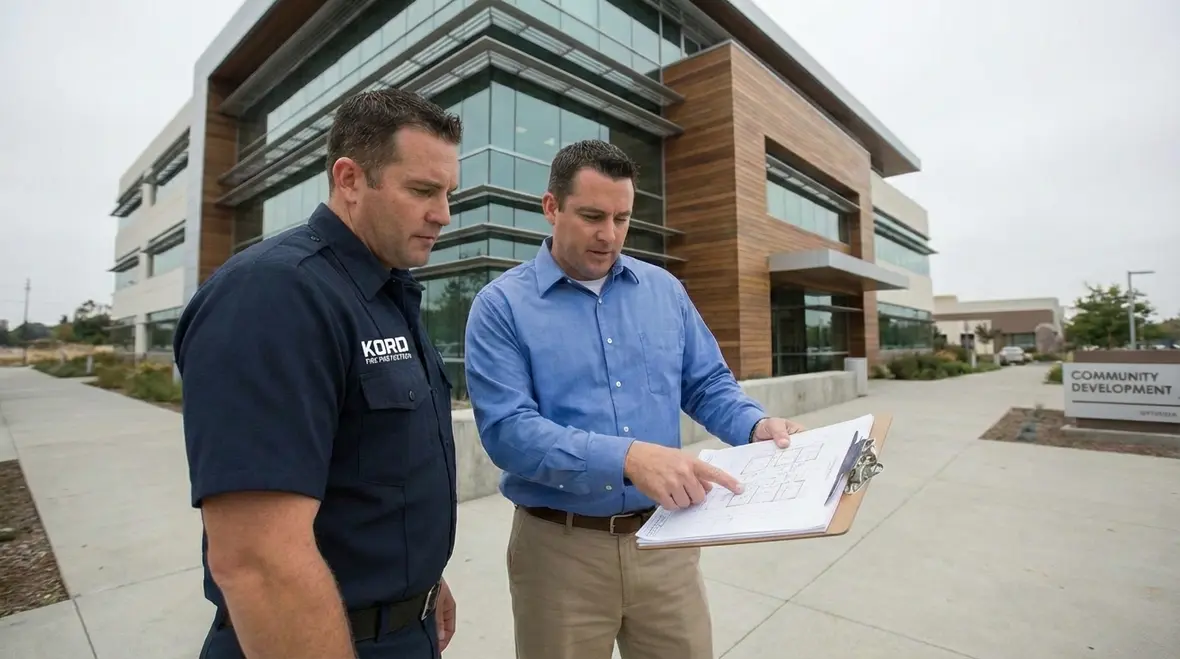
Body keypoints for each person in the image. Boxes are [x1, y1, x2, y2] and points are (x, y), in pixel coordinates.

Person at [462, 140, 805, 659]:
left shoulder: (664, 290)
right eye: (592, 216)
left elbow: (707, 384)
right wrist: (627, 458)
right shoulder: (500, 307)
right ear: (551, 208)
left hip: (667, 543)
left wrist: (757, 426)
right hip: (560, 555)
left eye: (622, 217)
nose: (609, 235)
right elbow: (509, 432)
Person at [174, 87, 463, 659]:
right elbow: (258, 561)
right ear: (350, 179)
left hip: (402, 628)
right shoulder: (275, 295)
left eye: (448, 193)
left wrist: (421, 583)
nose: (443, 215)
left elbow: (374, 473)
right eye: (423, 191)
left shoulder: (385, 294)